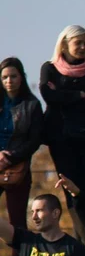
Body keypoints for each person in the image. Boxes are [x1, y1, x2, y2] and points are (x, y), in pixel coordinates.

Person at [40, 25, 85, 255]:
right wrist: (78, 95)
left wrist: (65, 97)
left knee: (83, 189)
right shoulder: (50, 69)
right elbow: (48, 95)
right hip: (61, 137)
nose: (83, 47)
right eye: (79, 43)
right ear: (65, 44)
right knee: (69, 188)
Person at [0, 58, 42, 230]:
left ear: (21, 77)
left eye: (13, 76)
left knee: (17, 223)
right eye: (4, 77)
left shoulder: (32, 105)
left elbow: (35, 140)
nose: (9, 81)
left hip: (18, 169)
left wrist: (10, 156)